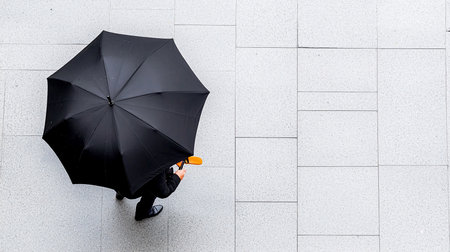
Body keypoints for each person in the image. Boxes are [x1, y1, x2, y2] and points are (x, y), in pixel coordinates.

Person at [115, 166, 186, 221]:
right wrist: (177, 177)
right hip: (134, 189)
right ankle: (142, 213)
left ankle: (120, 194)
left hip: (117, 182)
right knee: (153, 189)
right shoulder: (156, 163)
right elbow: (163, 192)